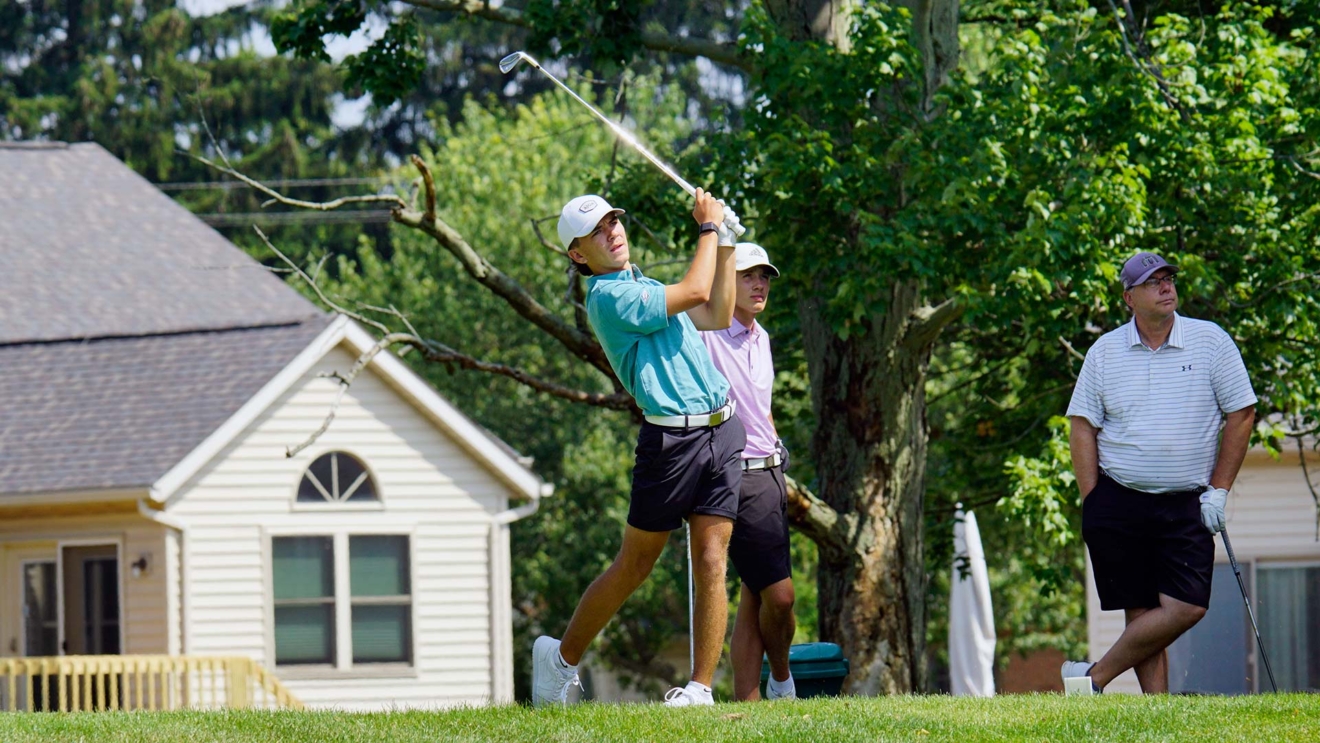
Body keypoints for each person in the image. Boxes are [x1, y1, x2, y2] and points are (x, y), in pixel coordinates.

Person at [531, 190, 744, 708]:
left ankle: (699, 689)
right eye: (598, 230)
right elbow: (696, 290)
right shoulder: (607, 297)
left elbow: (716, 310)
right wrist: (709, 229)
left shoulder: (640, 281)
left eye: (613, 221)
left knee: (713, 559)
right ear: (578, 254)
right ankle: (560, 660)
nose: (613, 231)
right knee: (636, 565)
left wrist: (730, 244)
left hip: (722, 428)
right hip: (671, 442)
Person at [1062, 251, 1257, 694]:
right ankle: (1158, 716)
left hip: (1187, 500)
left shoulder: (1210, 342)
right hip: (1119, 497)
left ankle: (1091, 678)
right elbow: (1082, 425)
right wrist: (1093, 499)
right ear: (1129, 297)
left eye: (1168, 279)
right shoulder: (1105, 352)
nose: (1166, 286)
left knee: (1186, 606)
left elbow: (1242, 413)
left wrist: (1219, 491)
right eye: (1154, 282)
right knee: (1140, 608)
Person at [699, 243, 797, 701]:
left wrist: (779, 456)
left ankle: (749, 699)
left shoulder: (764, 339)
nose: (759, 284)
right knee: (780, 596)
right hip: (731, 473)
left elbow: (763, 410)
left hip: (770, 474)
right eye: (747, 276)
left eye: (765, 276)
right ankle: (781, 681)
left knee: (755, 594)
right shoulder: (707, 333)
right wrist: (714, 236)